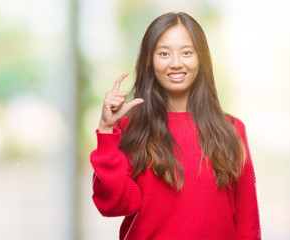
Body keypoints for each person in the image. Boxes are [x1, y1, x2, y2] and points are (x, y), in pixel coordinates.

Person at [90, 12, 261, 239]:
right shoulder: (129, 128)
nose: (176, 63)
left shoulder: (231, 129)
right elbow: (113, 206)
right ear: (149, 60)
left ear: (201, 58)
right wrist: (106, 132)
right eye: (164, 53)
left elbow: (247, 223)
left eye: (187, 52)